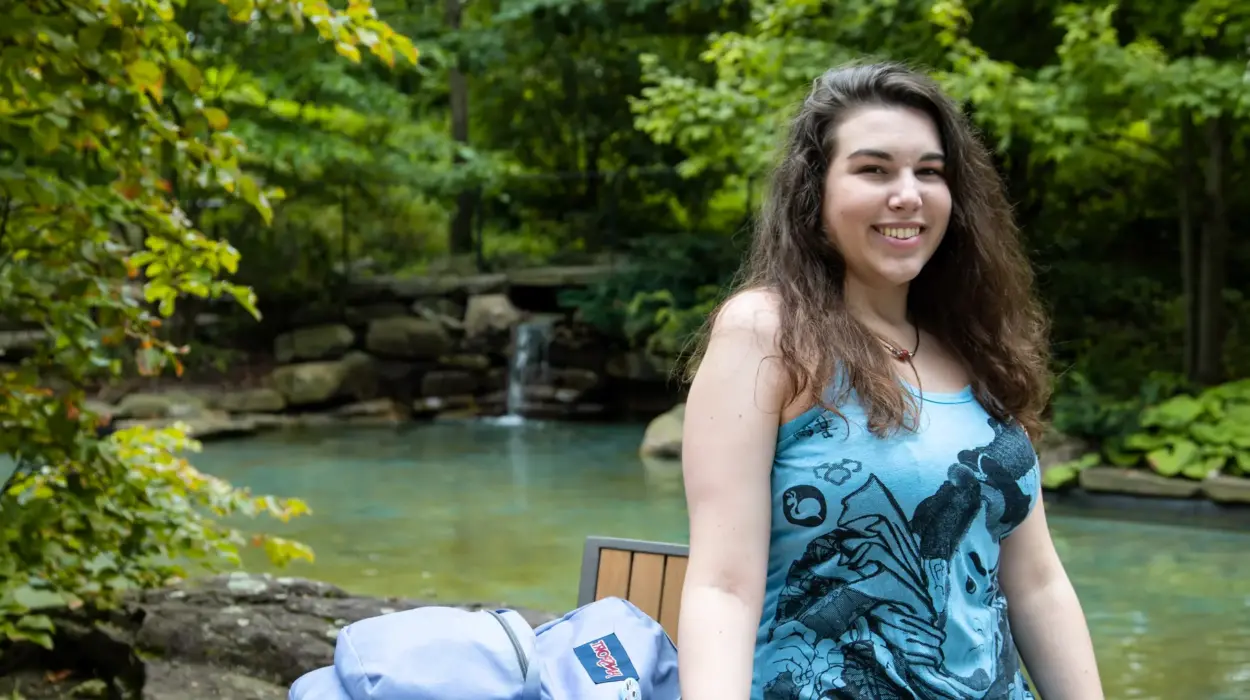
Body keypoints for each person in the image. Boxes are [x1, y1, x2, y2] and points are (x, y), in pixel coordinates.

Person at [676, 61, 1103, 699]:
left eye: (929, 172)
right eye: (874, 169)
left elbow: (1036, 582)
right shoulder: (767, 332)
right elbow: (722, 588)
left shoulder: (977, 345)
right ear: (814, 193)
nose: (908, 194)